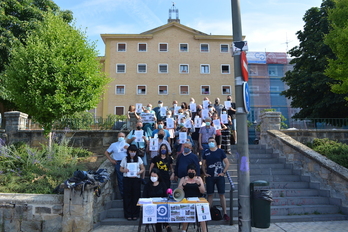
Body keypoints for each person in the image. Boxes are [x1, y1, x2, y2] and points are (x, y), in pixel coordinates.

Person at [202, 137, 230, 221]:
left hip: (219, 176)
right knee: (210, 194)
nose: (211, 142)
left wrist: (223, 172)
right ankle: (207, 213)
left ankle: (225, 213)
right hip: (210, 177)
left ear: (215, 142)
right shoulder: (206, 152)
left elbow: (227, 162)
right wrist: (205, 173)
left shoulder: (220, 151)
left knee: (222, 194)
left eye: (212, 141)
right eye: (209, 141)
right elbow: (203, 164)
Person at [178, 164, 207, 232]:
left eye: (192, 171)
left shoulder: (198, 178)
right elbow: (179, 191)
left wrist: (199, 184)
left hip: (197, 200)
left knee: (202, 213)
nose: (191, 172)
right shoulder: (183, 178)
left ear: (195, 172)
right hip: (186, 200)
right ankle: (184, 230)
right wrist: (183, 185)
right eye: (190, 171)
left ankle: (204, 230)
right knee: (186, 212)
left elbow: (203, 191)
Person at [120, 145, 145, 221]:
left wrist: (139, 172)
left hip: (135, 180)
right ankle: (128, 214)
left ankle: (135, 214)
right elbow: (120, 169)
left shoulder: (139, 159)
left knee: (136, 197)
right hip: (127, 179)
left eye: (134, 151)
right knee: (127, 197)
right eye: (131, 151)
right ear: (128, 151)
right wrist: (124, 170)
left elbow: (143, 168)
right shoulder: (125, 159)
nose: (132, 153)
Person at [142, 168, 171, 232]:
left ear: (158, 176)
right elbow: (144, 196)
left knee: (161, 211)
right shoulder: (147, 185)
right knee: (156, 213)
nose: (153, 178)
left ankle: (167, 226)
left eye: (155, 176)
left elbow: (165, 195)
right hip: (151, 206)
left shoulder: (162, 184)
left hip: (161, 205)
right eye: (152, 176)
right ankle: (162, 228)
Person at [104, 132, 129, 198]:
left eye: (122, 136)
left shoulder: (127, 145)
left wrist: (128, 149)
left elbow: (132, 153)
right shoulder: (113, 145)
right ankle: (122, 194)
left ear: (125, 137)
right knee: (120, 179)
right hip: (118, 162)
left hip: (126, 162)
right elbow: (106, 153)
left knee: (127, 178)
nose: (121, 137)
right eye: (119, 136)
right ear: (117, 137)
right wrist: (111, 160)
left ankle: (128, 193)